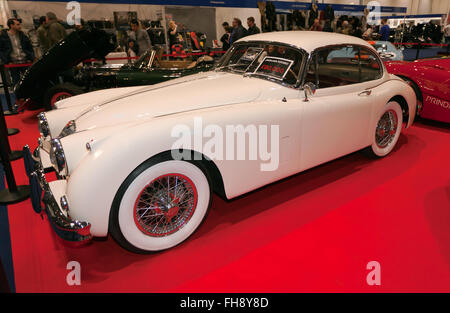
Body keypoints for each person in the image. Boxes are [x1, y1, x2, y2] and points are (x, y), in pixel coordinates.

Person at [0, 18, 34, 85]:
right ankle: (18, 95)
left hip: (25, 62)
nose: (20, 26)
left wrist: (30, 58)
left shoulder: (23, 35)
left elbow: (29, 47)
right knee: (16, 81)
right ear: (11, 25)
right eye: (17, 24)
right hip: (13, 63)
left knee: (28, 81)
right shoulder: (3, 36)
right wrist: (7, 61)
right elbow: (1, 50)